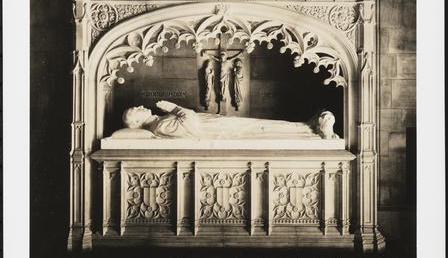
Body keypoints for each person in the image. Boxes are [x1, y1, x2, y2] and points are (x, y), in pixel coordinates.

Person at [114, 101, 339, 140]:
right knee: (262, 129)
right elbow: (190, 126)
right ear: (136, 123)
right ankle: (311, 131)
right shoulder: (160, 125)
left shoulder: (159, 122)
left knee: (261, 126)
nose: (141, 106)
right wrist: (173, 107)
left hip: (214, 125)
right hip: (215, 131)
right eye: (136, 110)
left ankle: (308, 127)